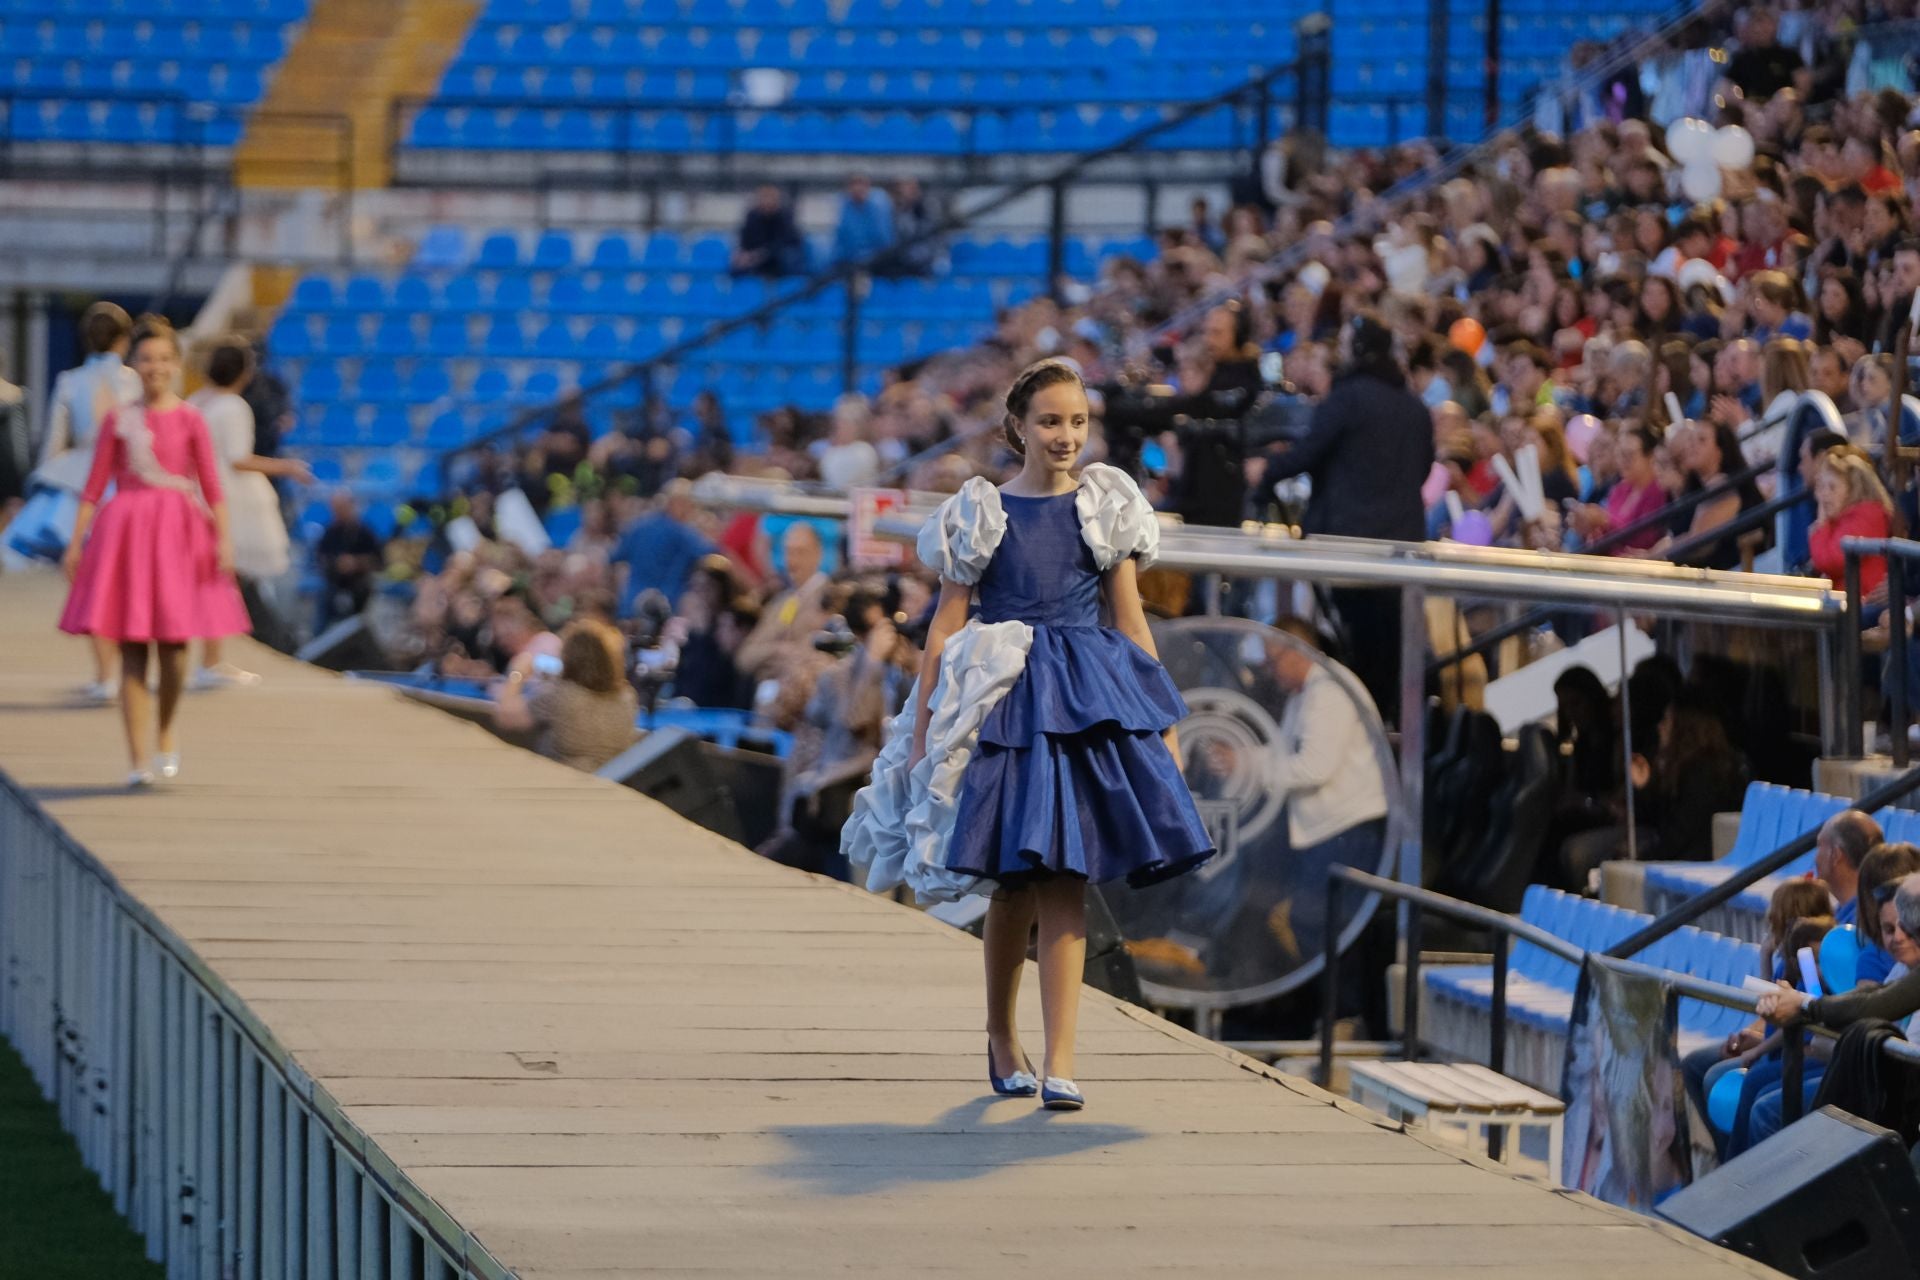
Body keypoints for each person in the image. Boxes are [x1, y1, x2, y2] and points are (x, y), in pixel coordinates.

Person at [841, 358, 1213, 1111]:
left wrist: (1161, 721)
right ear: (1017, 427)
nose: (1066, 435)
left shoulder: (1103, 506)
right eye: (1050, 421)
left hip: (1083, 697)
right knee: (1014, 885)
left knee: (1068, 876)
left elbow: (1131, 621)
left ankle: (1064, 1060)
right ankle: (1002, 1036)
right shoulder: (981, 512)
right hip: (1004, 701)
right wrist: (922, 734)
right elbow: (945, 628)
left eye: (1077, 421)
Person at [57, 318, 249, 788]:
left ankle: (165, 729)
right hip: (127, 535)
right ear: (134, 364)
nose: (155, 367)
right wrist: (76, 540)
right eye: (146, 359)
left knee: (176, 650)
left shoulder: (190, 419)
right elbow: (95, 482)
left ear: (177, 365)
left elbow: (212, 485)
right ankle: (137, 758)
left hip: (178, 536)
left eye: (164, 359)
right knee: (133, 650)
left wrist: (224, 540)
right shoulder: (117, 420)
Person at [1264, 312, 1434, 722]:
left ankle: (1363, 725)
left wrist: (1265, 471)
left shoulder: (1348, 398)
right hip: (1398, 550)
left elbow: (1309, 452)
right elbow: (1423, 469)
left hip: (1348, 547)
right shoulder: (1415, 408)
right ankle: (1386, 724)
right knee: (1387, 648)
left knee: (1361, 647)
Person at [10, 302, 139, 702]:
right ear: (124, 339)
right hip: (125, 483)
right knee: (125, 579)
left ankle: (104, 674)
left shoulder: (69, 380)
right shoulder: (134, 381)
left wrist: (43, 483)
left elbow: (53, 440)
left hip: (78, 484)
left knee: (89, 580)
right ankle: (127, 669)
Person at [188, 337, 312, 677]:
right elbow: (239, 459)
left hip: (197, 494)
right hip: (229, 499)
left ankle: (214, 656)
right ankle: (217, 657)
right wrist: (288, 467)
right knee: (226, 579)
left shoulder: (197, 401)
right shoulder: (233, 407)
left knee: (217, 578)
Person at [492, 618, 638, 772]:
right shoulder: (627, 697)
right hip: (613, 781)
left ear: (569, 657)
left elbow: (505, 716)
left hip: (563, 782)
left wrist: (517, 673)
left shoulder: (560, 695)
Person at [611, 477, 712, 616]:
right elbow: (711, 555)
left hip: (630, 604)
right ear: (676, 503)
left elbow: (613, 558)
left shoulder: (638, 526)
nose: (691, 510)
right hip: (664, 608)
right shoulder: (682, 532)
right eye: (689, 504)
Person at [1807, 449, 1893, 591]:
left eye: (1832, 487)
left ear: (1853, 488)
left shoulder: (1866, 515)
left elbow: (1832, 561)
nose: (1824, 495)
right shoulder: (1841, 519)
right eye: (1822, 487)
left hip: (1863, 603)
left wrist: (1821, 528)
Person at [315, 491, 384, 630]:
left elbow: (379, 562)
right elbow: (321, 558)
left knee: (362, 600)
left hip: (358, 582)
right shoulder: (330, 531)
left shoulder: (365, 532)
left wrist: (356, 562)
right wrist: (337, 563)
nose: (338, 512)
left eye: (342, 508)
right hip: (334, 581)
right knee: (324, 602)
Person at [731, 184, 806, 278]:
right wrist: (743, 253)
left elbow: (782, 242)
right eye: (763, 198)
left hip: (780, 255)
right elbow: (746, 238)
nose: (766, 202)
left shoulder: (785, 217)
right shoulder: (752, 217)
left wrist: (759, 254)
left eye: (770, 199)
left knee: (786, 257)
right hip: (758, 255)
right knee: (737, 263)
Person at [831, 173, 894, 266]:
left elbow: (885, 241)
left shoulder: (879, 208)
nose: (858, 188)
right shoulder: (841, 208)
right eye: (854, 184)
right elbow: (840, 242)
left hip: (876, 261)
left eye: (862, 184)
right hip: (848, 262)